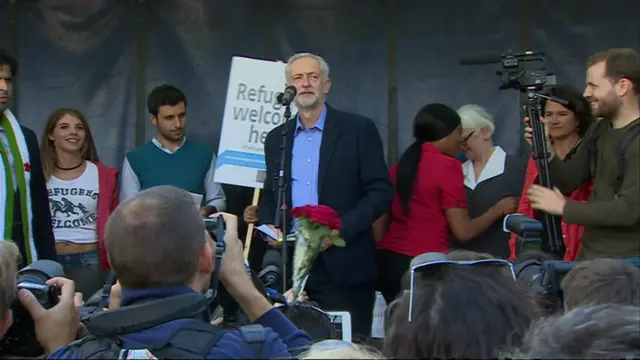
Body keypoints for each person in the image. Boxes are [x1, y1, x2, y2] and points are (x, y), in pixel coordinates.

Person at [49, 186, 313, 358]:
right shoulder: (250, 349)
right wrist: (241, 285)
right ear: (206, 258)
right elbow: (315, 353)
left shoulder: (73, 354)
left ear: (115, 265)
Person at [259, 52, 393, 340]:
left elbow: (381, 193)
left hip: (345, 264)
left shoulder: (358, 130)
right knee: (293, 347)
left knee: (347, 348)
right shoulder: (276, 138)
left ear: (327, 85)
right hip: (291, 266)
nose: (305, 84)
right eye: (297, 78)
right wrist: (271, 226)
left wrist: (339, 229)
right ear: (288, 87)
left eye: (313, 77)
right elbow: (272, 195)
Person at [374, 103, 517, 304]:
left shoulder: (401, 165)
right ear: (444, 135)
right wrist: (498, 209)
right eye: (458, 133)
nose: (461, 142)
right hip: (426, 265)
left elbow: (379, 220)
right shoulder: (448, 166)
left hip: (389, 262)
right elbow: (463, 231)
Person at [527, 48, 640, 260]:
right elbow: (568, 181)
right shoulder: (599, 130)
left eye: (594, 85)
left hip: (628, 263)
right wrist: (544, 147)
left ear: (623, 86)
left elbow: (630, 210)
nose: (587, 93)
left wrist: (564, 208)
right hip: (591, 256)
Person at [40, 108, 119, 298]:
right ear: (51, 135)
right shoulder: (38, 173)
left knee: (87, 317)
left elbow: (116, 219)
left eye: (79, 128)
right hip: (50, 259)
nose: (73, 132)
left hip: (89, 260)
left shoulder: (104, 174)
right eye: (64, 127)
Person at [510, 85, 595, 261]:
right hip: (542, 240)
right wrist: (516, 249)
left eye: (562, 114)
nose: (554, 120)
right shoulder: (538, 156)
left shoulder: (588, 153)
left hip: (579, 242)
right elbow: (526, 203)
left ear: (578, 119)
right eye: (548, 115)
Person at [119, 84, 226, 216]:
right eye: (169, 118)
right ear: (154, 119)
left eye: (181, 116)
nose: (178, 124)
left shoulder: (205, 155)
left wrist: (206, 210)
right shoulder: (135, 160)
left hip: (194, 233)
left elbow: (218, 199)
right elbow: (128, 209)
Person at [0, 48, 56, 265]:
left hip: (22, 244)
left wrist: (49, 262)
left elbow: (39, 204)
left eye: (8, 80)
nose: (3, 88)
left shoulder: (25, 138)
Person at [452, 104, 527, 259]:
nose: (462, 147)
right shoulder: (456, 172)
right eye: (458, 143)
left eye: (465, 140)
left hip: (503, 259)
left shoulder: (516, 169)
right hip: (463, 261)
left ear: (484, 132)